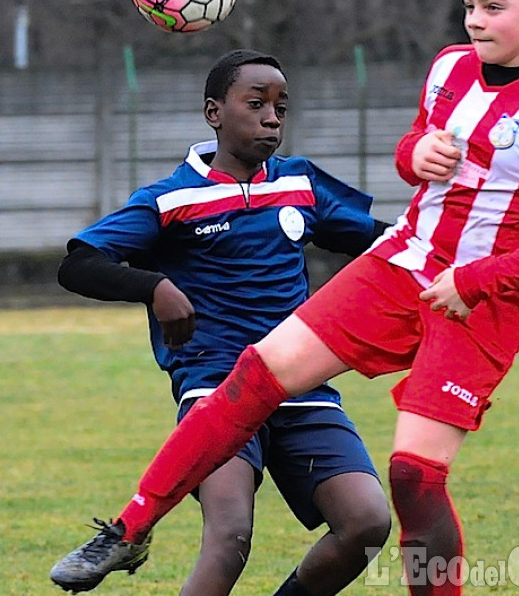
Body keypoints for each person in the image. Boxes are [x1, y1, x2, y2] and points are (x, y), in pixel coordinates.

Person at [51, 0, 519, 595]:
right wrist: (414, 155)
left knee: (410, 481)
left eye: (493, 8)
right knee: (252, 387)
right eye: (470, 5)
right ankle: (129, 529)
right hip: (402, 261)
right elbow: (414, 149)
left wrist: (475, 279)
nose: (474, 20)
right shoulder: (448, 67)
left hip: (480, 295)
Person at [49, 49, 392, 595]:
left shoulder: (300, 185)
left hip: (302, 387)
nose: (272, 117)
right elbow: (79, 263)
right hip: (217, 389)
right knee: (230, 535)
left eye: (281, 106)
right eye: (255, 103)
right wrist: (156, 287)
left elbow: (388, 242)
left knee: (367, 523)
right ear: (214, 112)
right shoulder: (171, 198)